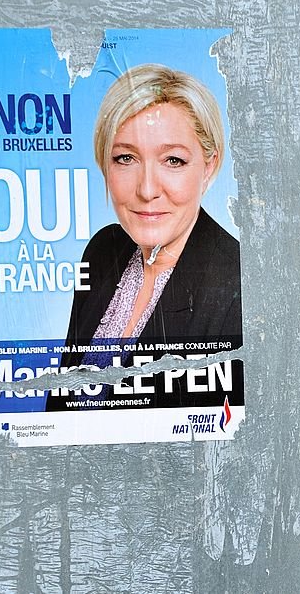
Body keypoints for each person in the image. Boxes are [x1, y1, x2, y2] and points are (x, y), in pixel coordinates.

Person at [47, 64, 241, 408]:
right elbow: (61, 401)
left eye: (173, 160)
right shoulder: (104, 249)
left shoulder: (237, 283)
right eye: (126, 158)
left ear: (208, 166)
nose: (147, 189)